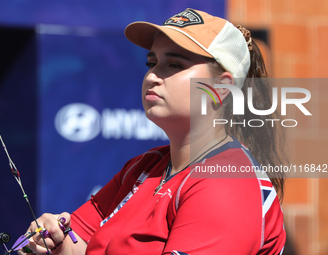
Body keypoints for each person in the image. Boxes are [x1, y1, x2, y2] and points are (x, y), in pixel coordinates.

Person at [18, 8, 286, 255]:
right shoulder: (146, 165)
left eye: (174, 65)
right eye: (151, 63)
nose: (152, 76)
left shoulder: (227, 184)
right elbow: (81, 243)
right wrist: (55, 242)